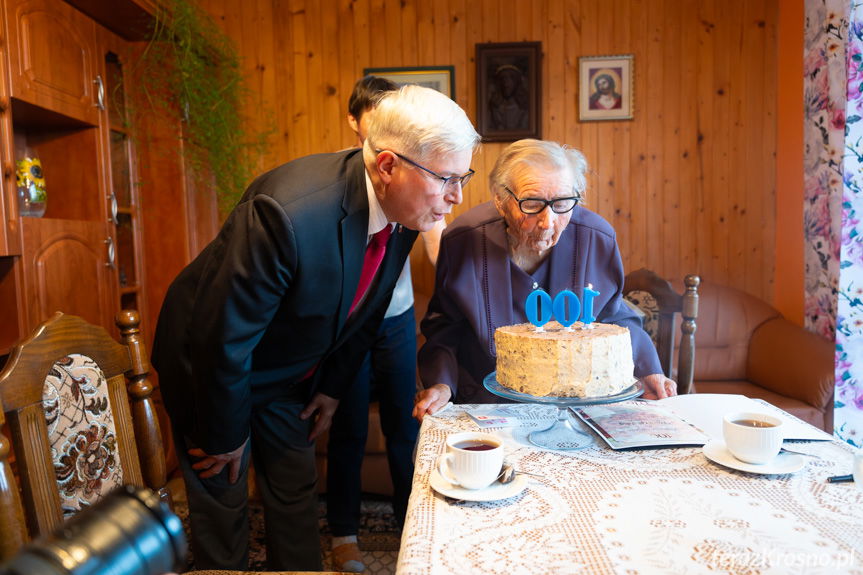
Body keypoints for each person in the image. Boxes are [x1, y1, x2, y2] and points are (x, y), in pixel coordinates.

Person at [151, 84, 480, 571]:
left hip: (285, 367)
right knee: (224, 492)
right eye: (447, 179)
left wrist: (330, 388)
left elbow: (368, 308)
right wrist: (225, 434)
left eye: (463, 176)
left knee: (294, 487)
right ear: (388, 166)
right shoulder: (288, 212)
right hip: (209, 363)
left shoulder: (408, 205)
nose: (456, 196)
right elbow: (223, 335)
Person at [413, 139, 675, 420]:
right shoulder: (463, 241)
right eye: (532, 203)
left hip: (579, 408)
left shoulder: (597, 238)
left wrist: (649, 370)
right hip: (486, 405)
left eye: (562, 203)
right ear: (501, 201)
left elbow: (614, 317)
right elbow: (445, 328)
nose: (547, 221)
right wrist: (441, 383)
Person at [326, 75, 444, 573]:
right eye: (373, 117)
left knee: (405, 426)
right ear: (356, 122)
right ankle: (344, 535)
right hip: (349, 324)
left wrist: (458, 286)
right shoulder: (342, 180)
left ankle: (411, 526)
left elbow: (436, 233)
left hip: (395, 320)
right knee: (348, 426)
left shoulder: (413, 175)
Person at [489, 63, 529, 131]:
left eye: (510, 79)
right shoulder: (494, 107)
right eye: (502, 79)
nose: (505, 83)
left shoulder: (524, 108)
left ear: (516, 83)